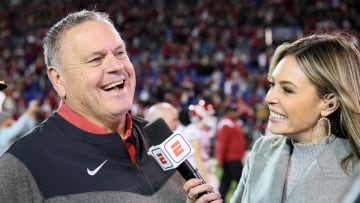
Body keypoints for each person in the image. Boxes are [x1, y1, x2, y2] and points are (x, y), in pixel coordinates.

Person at [0, 10, 221, 203]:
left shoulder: (160, 139)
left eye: (120, 52)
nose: (117, 66)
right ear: (58, 79)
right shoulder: (22, 166)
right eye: (95, 59)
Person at [229, 32, 360, 202]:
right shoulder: (262, 150)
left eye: (287, 89)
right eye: (272, 85)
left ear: (329, 104)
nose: (269, 98)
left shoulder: (354, 170)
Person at [184, 100, 219, 192]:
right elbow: (197, 157)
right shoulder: (194, 132)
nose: (211, 117)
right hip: (196, 168)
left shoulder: (200, 130)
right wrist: (204, 179)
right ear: (201, 115)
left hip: (201, 166)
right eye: (209, 115)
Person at [215, 104, 246, 201]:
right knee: (241, 181)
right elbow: (222, 142)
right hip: (231, 158)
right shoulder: (226, 123)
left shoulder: (232, 122)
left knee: (226, 181)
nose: (236, 112)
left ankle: (220, 199)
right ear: (229, 111)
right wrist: (219, 158)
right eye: (234, 111)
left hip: (233, 157)